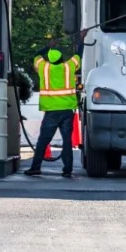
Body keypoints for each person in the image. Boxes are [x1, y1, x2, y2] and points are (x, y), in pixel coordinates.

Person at [25, 46, 81, 178]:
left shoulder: (44, 68)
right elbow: (79, 54)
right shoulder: (68, 67)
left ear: (49, 60)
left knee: (43, 140)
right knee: (67, 141)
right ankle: (67, 170)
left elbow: (36, 54)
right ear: (62, 58)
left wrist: (47, 47)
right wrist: (82, 39)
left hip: (51, 111)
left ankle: (35, 167)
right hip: (67, 109)